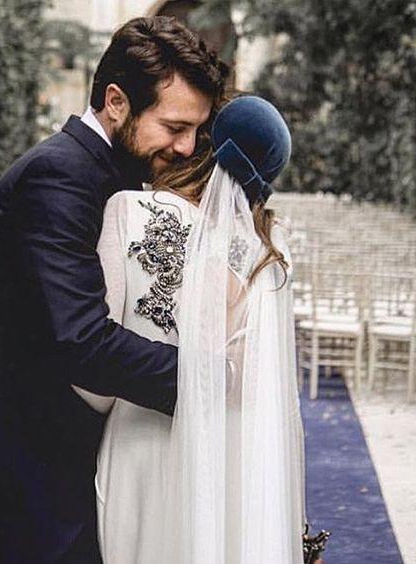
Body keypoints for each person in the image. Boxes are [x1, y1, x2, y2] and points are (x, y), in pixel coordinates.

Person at [0, 16, 227, 564]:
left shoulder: (115, 174)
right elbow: (82, 341)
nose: (187, 147)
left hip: (59, 461)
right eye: (174, 126)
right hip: (17, 472)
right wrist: (211, 380)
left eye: (195, 131)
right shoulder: (59, 176)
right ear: (116, 102)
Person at [87, 96, 314, 563]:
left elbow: (95, 386)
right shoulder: (266, 252)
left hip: (141, 451)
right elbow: (253, 388)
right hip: (226, 464)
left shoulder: (128, 210)